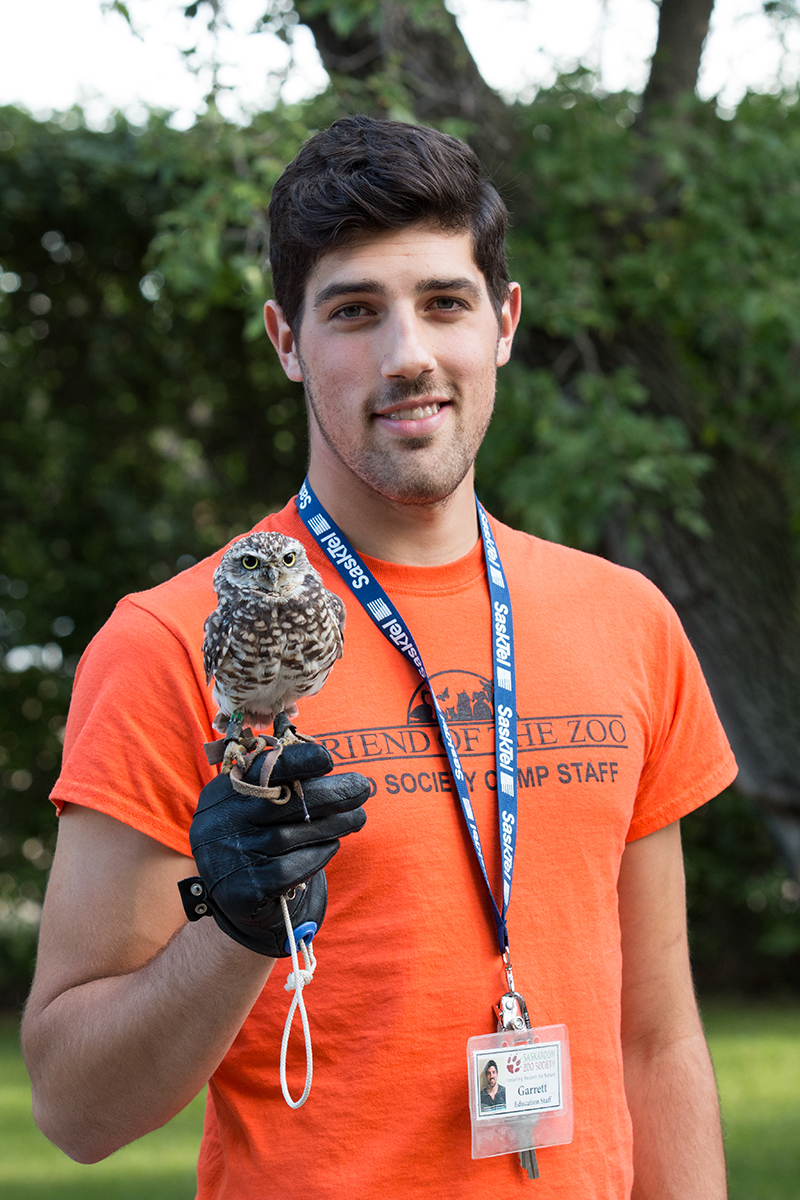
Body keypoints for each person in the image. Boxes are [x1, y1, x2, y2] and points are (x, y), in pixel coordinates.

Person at [21, 115, 736, 1199]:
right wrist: (235, 926)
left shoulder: (623, 618)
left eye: (443, 303)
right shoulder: (176, 641)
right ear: (286, 341)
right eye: (354, 311)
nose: (408, 354)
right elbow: (76, 1109)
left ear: (500, 322)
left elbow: (654, 1040)